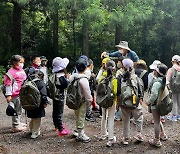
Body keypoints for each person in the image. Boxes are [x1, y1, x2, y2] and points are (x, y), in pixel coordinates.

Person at [119, 59, 144, 145]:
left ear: (124, 67)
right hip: (135, 102)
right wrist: (141, 98)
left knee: (126, 120)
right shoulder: (136, 77)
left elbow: (118, 92)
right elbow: (141, 88)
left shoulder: (120, 78)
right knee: (139, 118)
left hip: (124, 103)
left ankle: (126, 138)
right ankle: (139, 134)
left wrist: (118, 102)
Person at [69, 58, 92, 143]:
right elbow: (87, 92)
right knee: (81, 117)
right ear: (86, 68)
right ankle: (81, 134)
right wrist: (90, 100)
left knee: (77, 115)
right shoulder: (84, 79)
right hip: (82, 101)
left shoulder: (73, 77)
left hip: (74, 100)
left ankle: (77, 131)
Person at [3, 55, 27, 132]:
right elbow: (8, 85)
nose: (22, 64)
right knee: (15, 110)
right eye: (21, 62)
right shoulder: (10, 73)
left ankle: (18, 122)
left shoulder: (21, 70)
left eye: (23, 62)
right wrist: (9, 95)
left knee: (19, 109)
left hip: (21, 93)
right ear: (14, 62)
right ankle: (15, 126)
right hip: (14, 94)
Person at [147, 63, 168, 147]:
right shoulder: (163, 81)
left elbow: (154, 95)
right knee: (158, 120)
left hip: (156, 105)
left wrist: (148, 102)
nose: (154, 71)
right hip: (162, 104)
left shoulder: (156, 83)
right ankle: (163, 135)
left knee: (156, 122)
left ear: (157, 72)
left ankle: (157, 140)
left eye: (155, 70)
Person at [98, 60, 118, 147]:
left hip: (103, 100)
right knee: (111, 118)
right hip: (111, 101)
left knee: (104, 116)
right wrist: (117, 103)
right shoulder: (114, 80)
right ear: (114, 69)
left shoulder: (101, 78)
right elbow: (116, 92)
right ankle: (110, 139)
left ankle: (103, 133)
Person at [51, 57, 71, 136]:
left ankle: (56, 125)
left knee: (55, 111)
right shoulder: (61, 76)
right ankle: (60, 128)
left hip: (55, 95)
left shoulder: (55, 75)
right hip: (60, 96)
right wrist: (68, 79)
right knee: (59, 112)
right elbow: (65, 85)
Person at [26, 70, 49, 139]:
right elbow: (43, 94)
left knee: (33, 118)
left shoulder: (28, 81)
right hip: (38, 104)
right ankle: (35, 133)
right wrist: (45, 102)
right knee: (37, 118)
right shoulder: (40, 83)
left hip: (29, 103)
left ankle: (31, 129)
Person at [166, 55, 180, 121]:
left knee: (174, 101)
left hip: (173, 88)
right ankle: (179, 115)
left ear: (172, 61)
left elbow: (167, 80)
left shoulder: (171, 70)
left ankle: (174, 116)